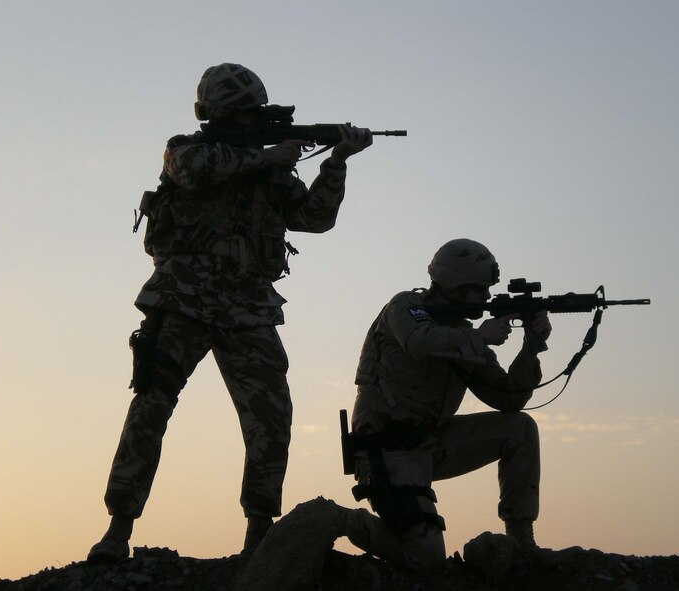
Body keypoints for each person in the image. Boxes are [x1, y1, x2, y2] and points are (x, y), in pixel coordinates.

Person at [87, 63, 372, 563]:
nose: (252, 120)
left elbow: (313, 219)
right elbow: (195, 171)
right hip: (183, 298)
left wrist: (337, 161)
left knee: (271, 416)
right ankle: (117, 529)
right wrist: (265, 157)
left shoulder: (271, 167)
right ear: (219, 114)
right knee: (151, 407)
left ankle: (259, 534)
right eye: (244, 113)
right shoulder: (186, 150)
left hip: (247, 306)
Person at [340, 238, 551, 573]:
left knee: (520, 428)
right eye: (479, 290)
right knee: (425, 559)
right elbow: (420, 343)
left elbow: (508, 399)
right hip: (389, 450)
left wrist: (532, 347)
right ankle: (342, 521)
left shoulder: (462, 332)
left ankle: (521, 540)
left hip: (433, 443)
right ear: (455, 286)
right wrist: (480, 337)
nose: (486, 298)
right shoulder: (405, 307)